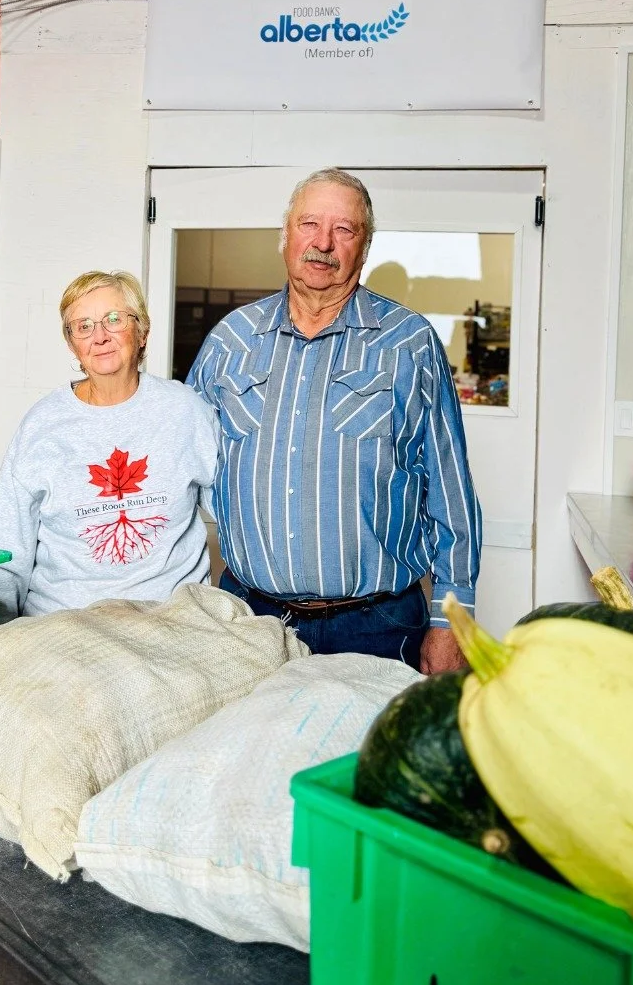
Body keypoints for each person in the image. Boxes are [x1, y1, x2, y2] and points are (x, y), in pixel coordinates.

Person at [187, 169, 481, 671]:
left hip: (377, 627)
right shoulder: (230, 341)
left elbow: (450, 490)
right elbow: (177, 467)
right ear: (285, 235)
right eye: (309, 224)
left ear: (364, 247)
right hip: (249, 620)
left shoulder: (409, 344)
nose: (322, 243)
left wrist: (452, 619)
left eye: (343, 229)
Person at [0, 270, 219, 622]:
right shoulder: (42, 424)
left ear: (142, 331)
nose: (100, 336)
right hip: (63, 621)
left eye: (113, 319)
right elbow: (6, 545)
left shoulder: (186, 411)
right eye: (83, 326)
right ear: (72, 345)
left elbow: (236, 520)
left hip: (168, 619)